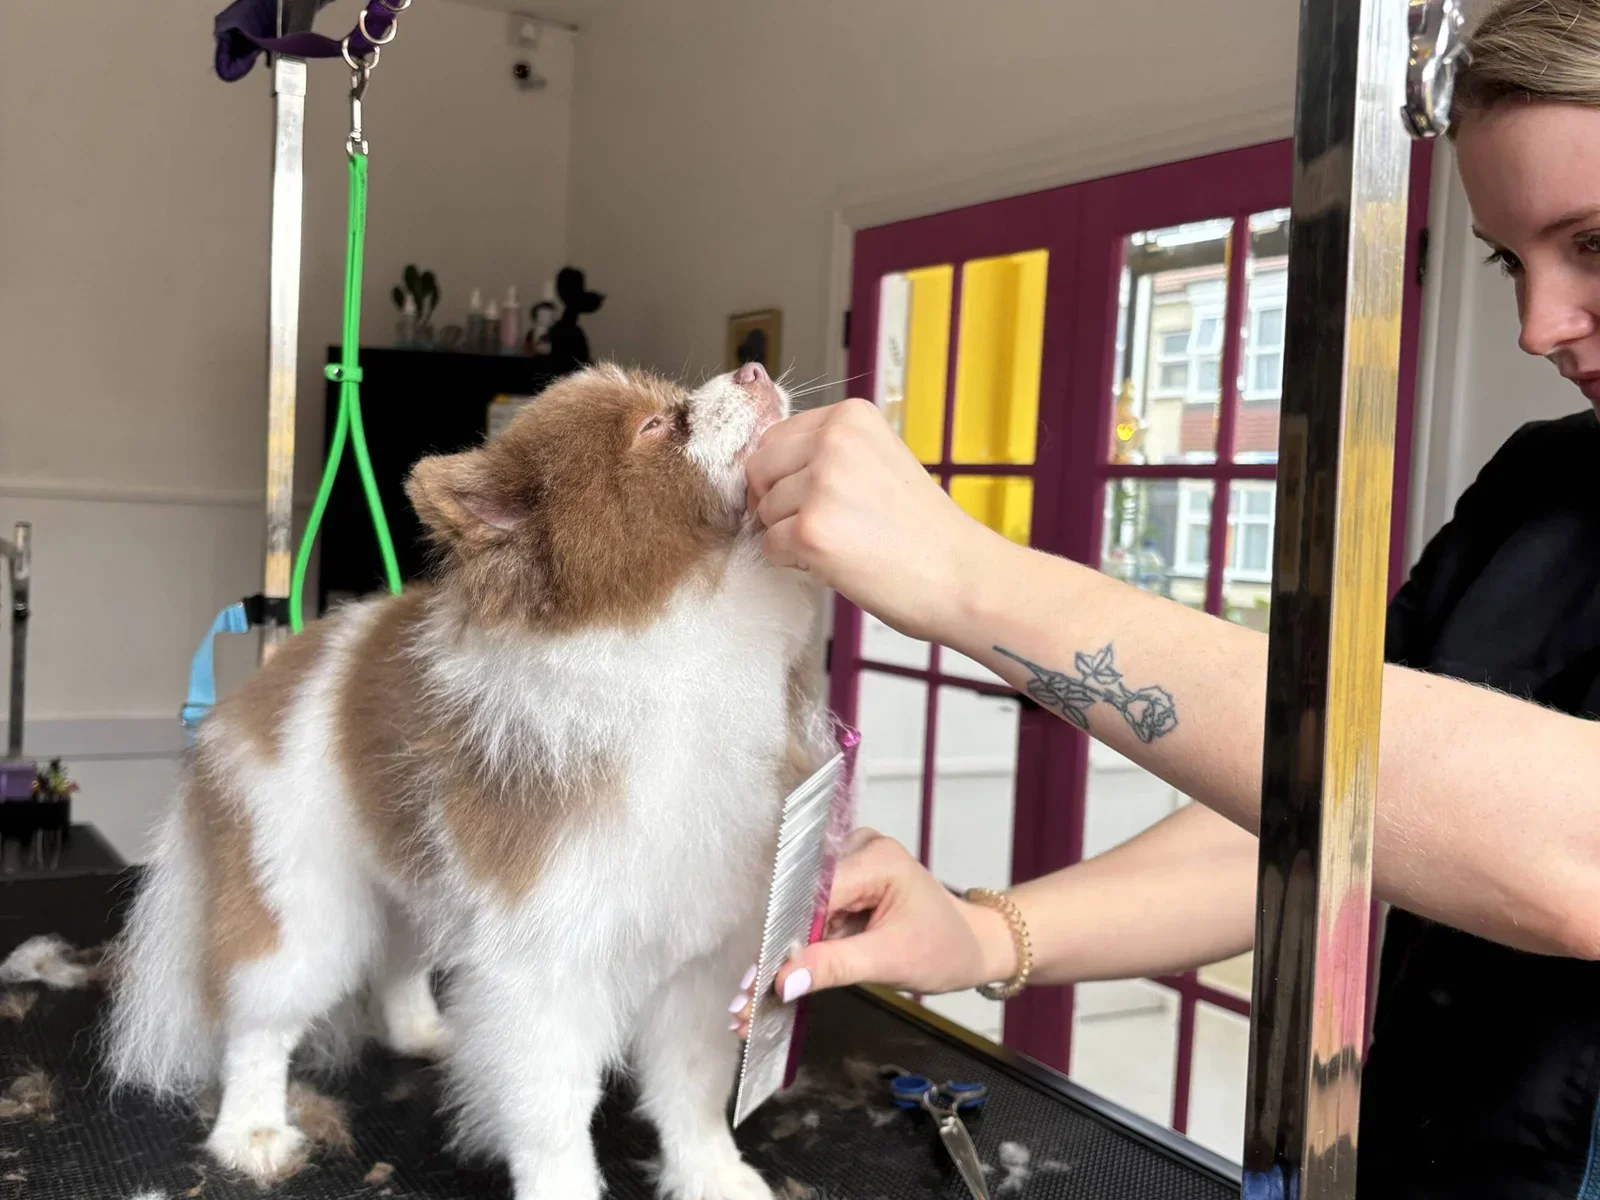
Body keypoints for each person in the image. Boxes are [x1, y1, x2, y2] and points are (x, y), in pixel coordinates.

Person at [736, 2, 1600, 1195]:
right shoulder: (1541, 495)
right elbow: (1323, 809)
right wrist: (989, 932)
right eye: (1512, 260)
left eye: (1593, 244)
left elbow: (1577, 855)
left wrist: (967, 577)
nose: (1536, 325)